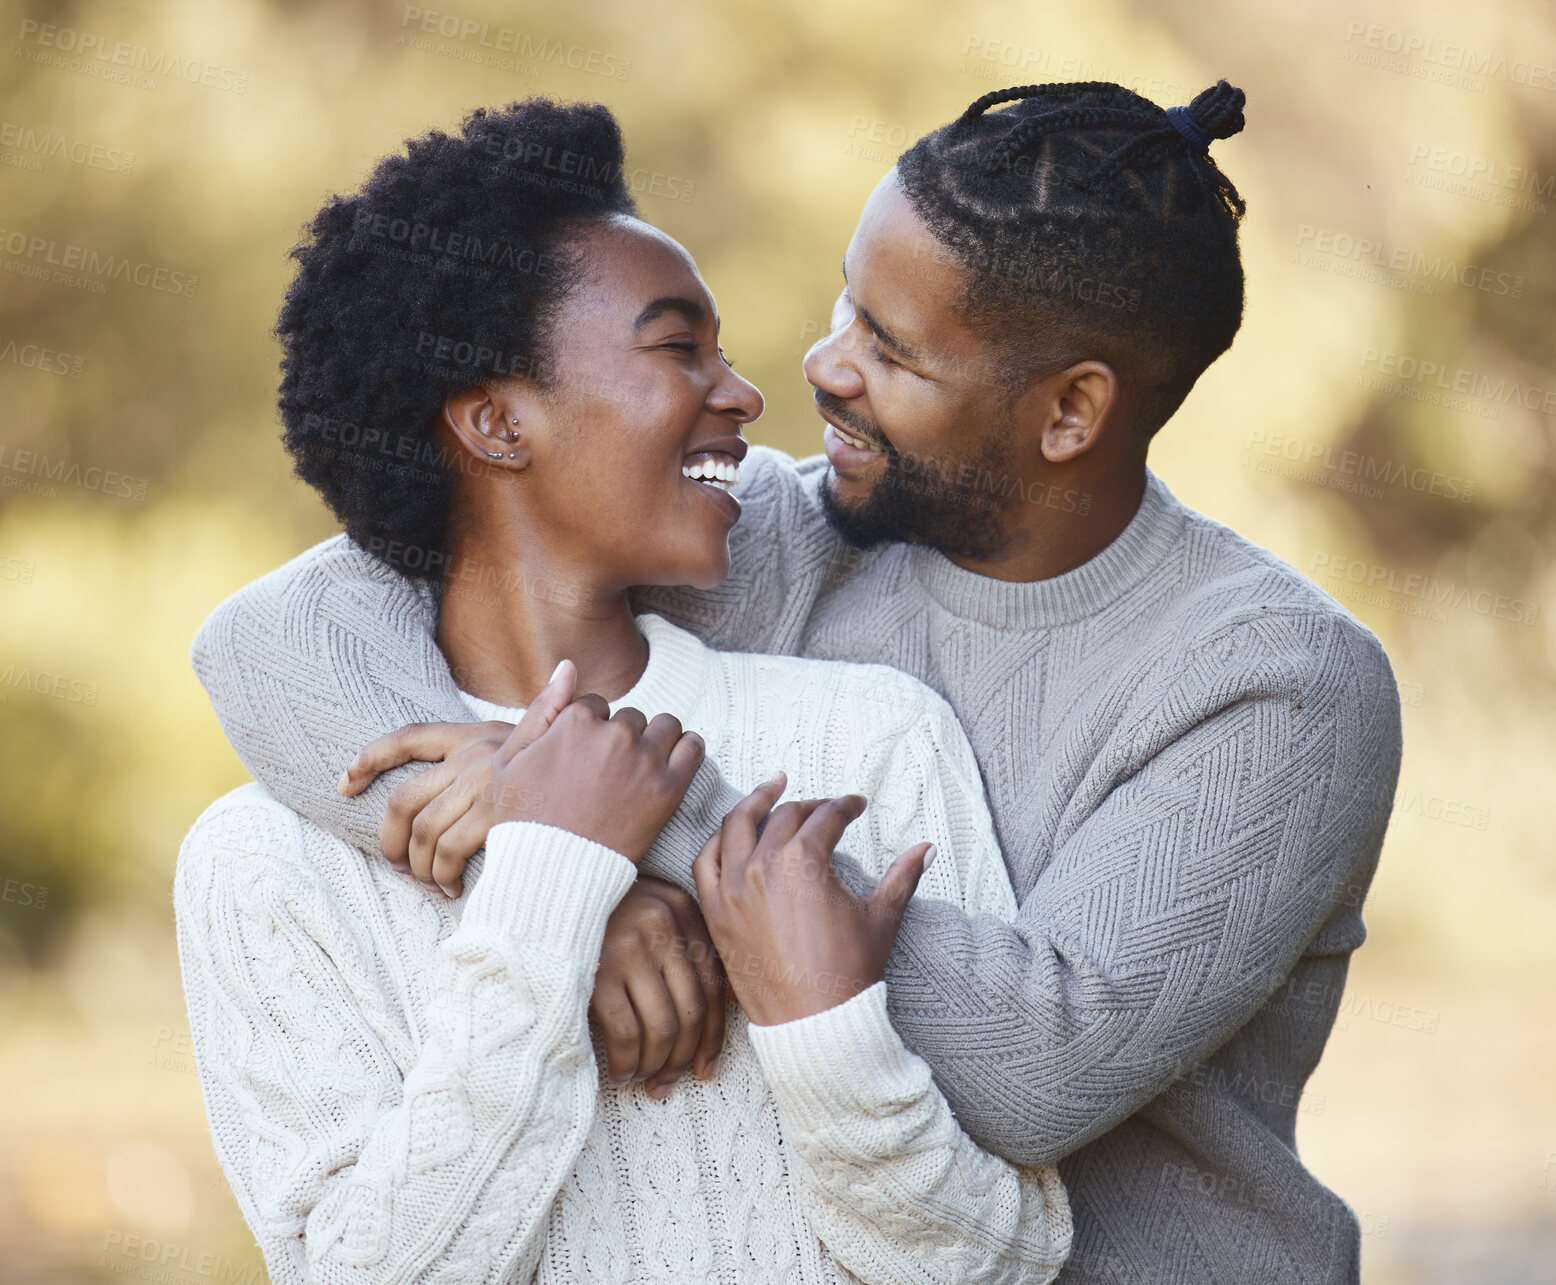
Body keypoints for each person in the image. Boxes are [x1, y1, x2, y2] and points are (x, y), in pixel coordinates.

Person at [193, 82, 1404, 1284]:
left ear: (1069, 411)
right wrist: (548, 850)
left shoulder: (1276, 684)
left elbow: (1033, 1074)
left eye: (891, 347)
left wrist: (646, 826)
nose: (821, 365)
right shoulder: (787, 539)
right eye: (846, 303)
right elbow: (278, 633)